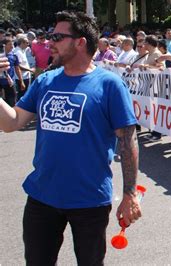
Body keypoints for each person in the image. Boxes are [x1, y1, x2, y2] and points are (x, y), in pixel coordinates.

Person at [0, 11, 141, 265]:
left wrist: (130, 194)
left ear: (80, 42)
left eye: (57, 37)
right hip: (42, 196)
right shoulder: (45, 81)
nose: (49, 42)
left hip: (89, 200)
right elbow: (12, 123)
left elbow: (128, 140)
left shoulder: (109, 85)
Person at [0, 38, 23, 106]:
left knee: (12, 102)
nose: (12, 46)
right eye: (10, 44)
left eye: (12, 44)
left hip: (10, 83)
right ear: (4, 45)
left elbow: (17, 69)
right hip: (1, 83)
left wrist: (21, 81)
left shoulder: (14, 56)